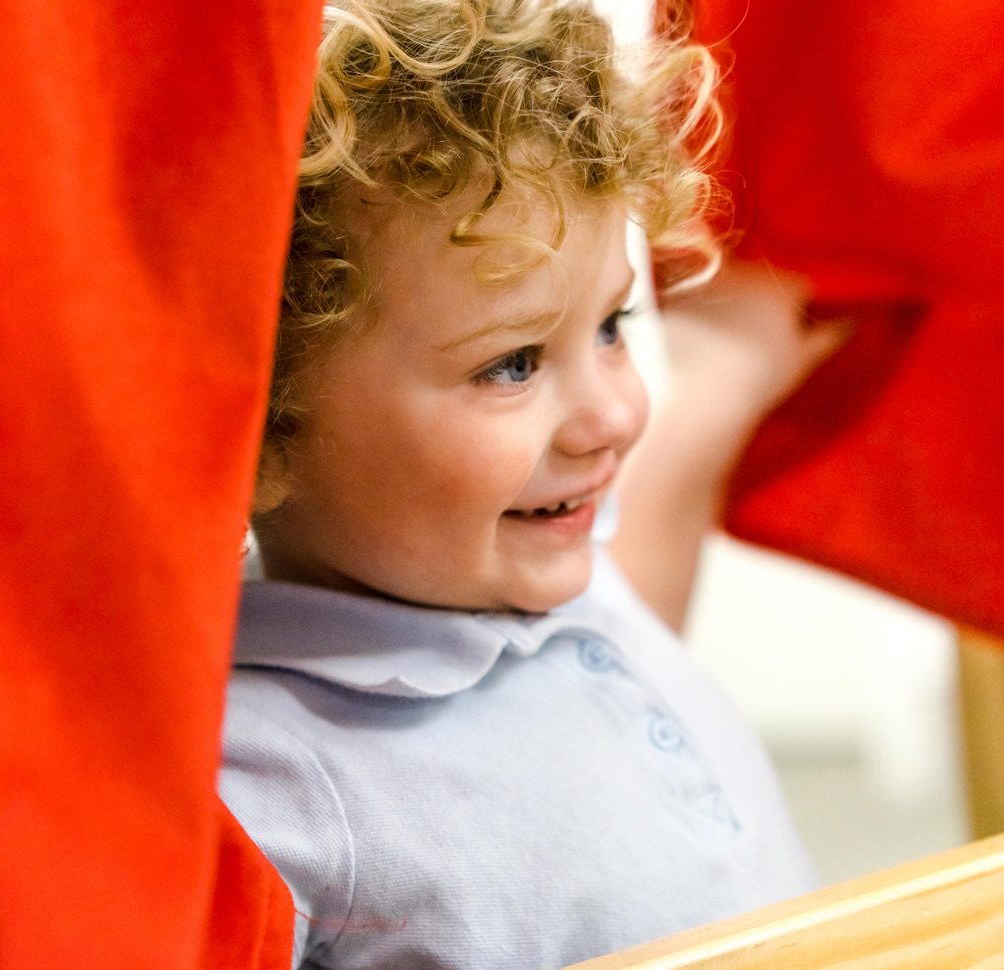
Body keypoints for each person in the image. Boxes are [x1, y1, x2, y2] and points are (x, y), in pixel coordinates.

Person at [218, 2, 838, 966]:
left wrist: (730, 372)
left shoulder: (541, 565)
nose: (613, 417)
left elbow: (634, 590)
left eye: (609, 328)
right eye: (512, 365)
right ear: (259, 428)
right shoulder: (266, 780)